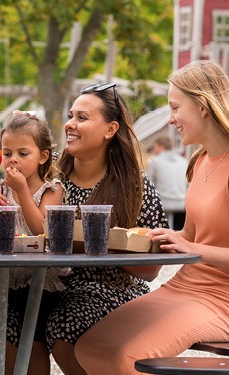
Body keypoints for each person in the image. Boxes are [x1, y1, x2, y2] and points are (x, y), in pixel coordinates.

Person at [75, 60, 229, 374]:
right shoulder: (201, 162)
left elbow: (194, 248)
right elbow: (190, 237)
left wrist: (191, 249)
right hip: (185, 286)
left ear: (202, 106)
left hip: (221, 300)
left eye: (175, 107)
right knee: (91, 347)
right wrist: (150, 238)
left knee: (124, 358)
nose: (170, 119)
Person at [4, 83, 169, 375]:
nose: (70, 124)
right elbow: (9, 173)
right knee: (5, 326)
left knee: (64, 324)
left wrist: (105, 243)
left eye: (82, 117)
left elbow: (152, 268)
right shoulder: (48, 175)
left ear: (110, 129)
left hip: (109, 288)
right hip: (46, 285)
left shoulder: (135, 187)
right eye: (71, 115)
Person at [0, 110, 66, 374]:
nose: (13, 160)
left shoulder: (52, 190)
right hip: (3, 276)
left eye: (23, 154)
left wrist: (22, 190)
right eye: (7, 153)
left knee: (28, 342)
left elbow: (42, 229)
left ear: (43, 156)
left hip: (40, 281)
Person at [146, 135, 189, 230]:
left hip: (163, 204)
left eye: (155, 146)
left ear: (160, 147)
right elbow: (187, 183)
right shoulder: (184, 161)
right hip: (182, 203)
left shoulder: (153, 161)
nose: (153, 149)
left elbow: (148, 184)